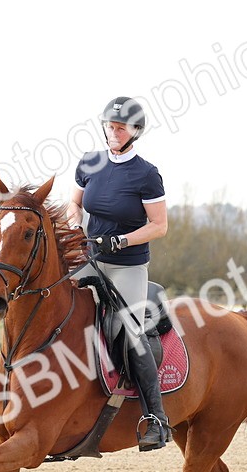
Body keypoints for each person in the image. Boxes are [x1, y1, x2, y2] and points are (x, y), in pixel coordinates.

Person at [67, 96, 171, 451]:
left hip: (127, 265)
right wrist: (74, 224)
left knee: (127, 329)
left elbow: (159, 226)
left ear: (135, 132)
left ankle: (155, 418)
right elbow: (75, 203)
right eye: (110, 126)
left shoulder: (146, 173)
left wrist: (122, 240)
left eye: (120, 127)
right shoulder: (90, 162)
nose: (113, 132)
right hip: (90, 258)